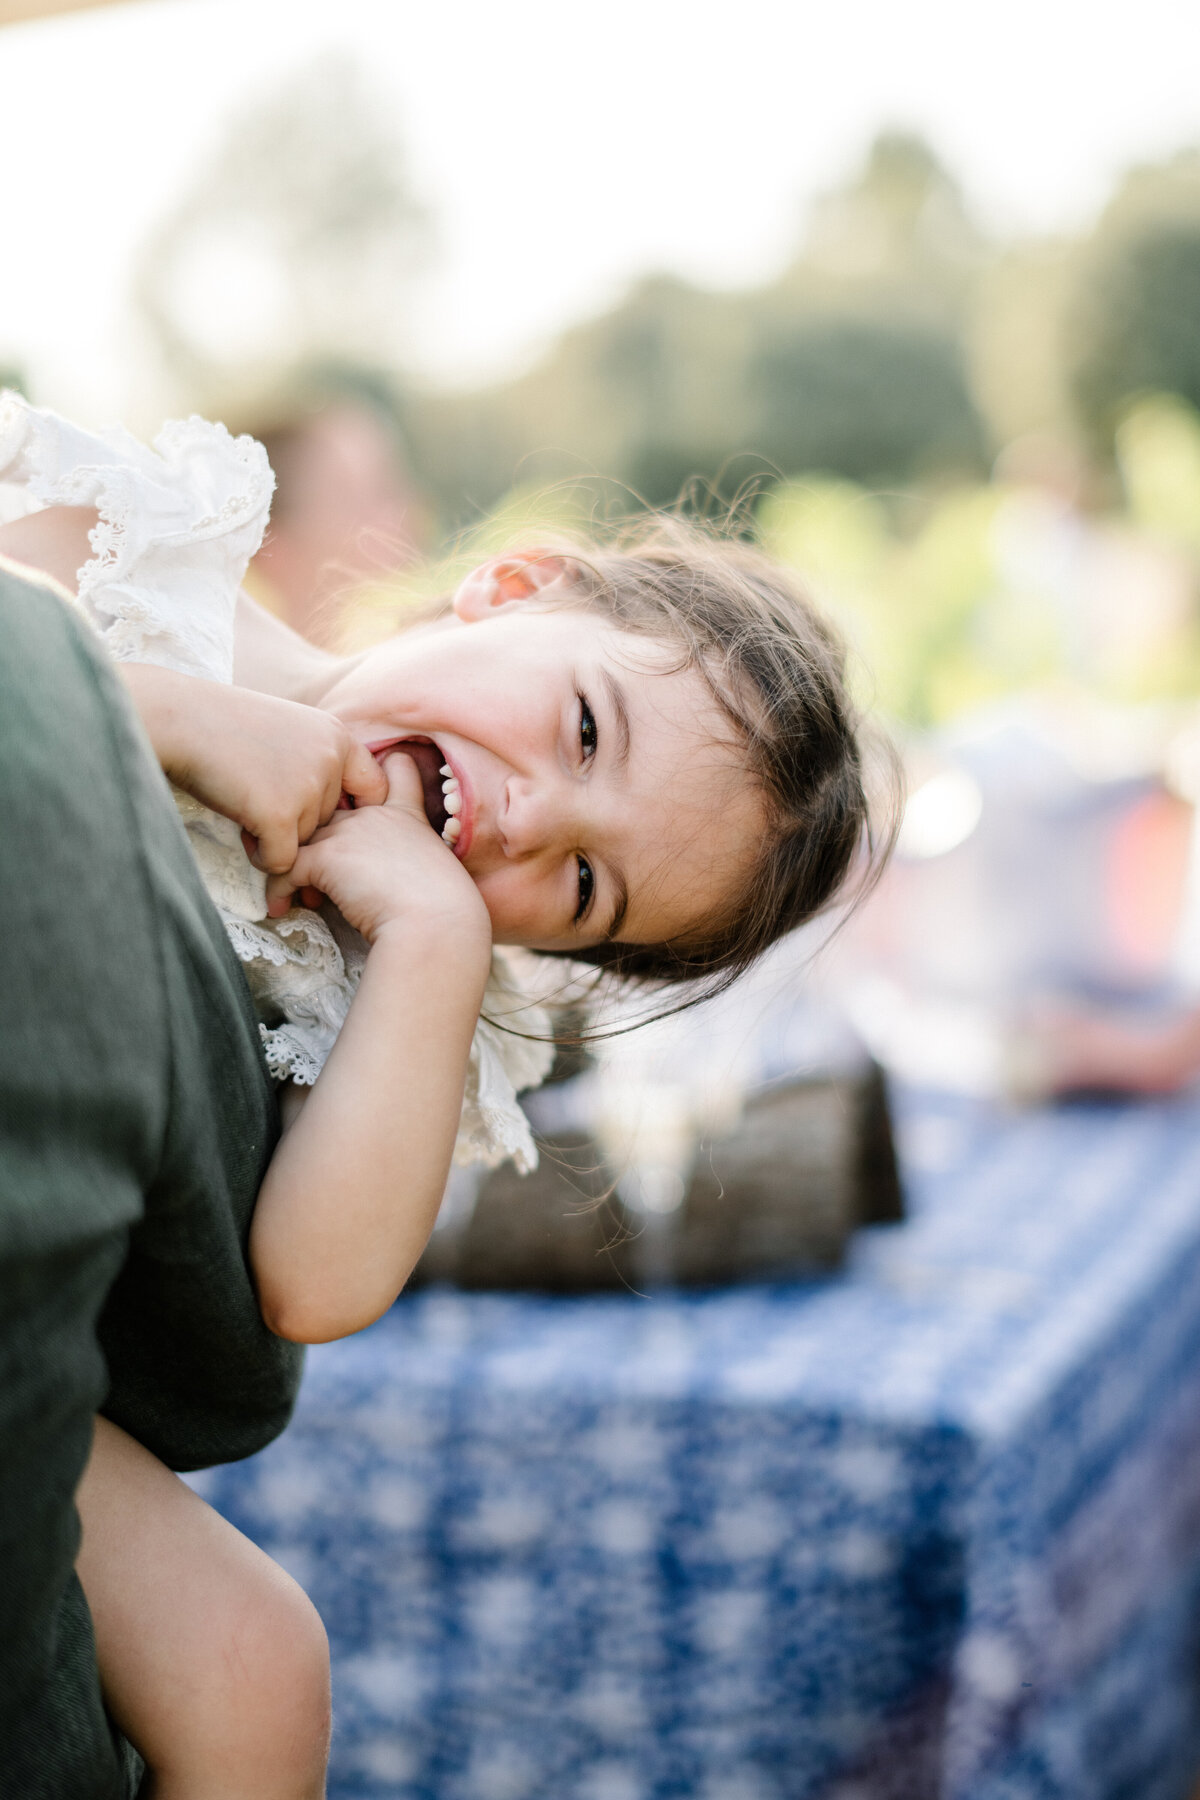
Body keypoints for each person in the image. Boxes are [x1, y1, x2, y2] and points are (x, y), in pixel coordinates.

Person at [0, 395, 882, 1795]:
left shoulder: (409, 987)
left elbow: (311, 1287)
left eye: (584, 889)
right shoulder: (152, 560)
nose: (534, 820)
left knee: (261, 1665)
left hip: (37, 1318)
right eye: (584, 728)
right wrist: (170, 718)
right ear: (514, 589)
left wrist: (428, 944)